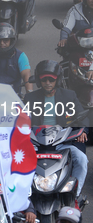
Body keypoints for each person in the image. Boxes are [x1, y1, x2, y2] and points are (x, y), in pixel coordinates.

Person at [24, 60, 89, 197]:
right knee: (14, 159)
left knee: (82, 159)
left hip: (63, 142)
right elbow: (20, 119)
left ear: (57, 80)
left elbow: (83, 116)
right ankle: (22, 195)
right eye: (44, 79)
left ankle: (75, 195)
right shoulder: (29, 98)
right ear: (39, 81)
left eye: (51, 80)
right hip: (36, 143)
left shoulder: (69, 95)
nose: (48, 83)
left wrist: (83, 130)